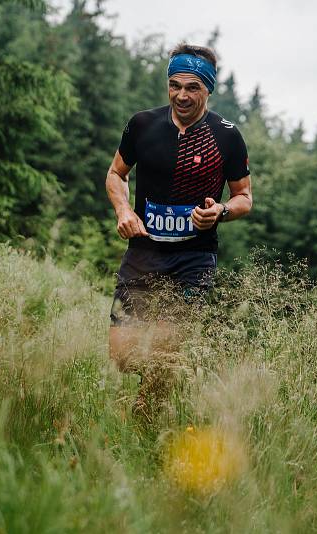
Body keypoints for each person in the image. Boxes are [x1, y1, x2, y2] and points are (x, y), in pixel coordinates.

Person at [105, 43, 253, 405]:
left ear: (208, 89)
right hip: (144, 251)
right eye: (174, 85)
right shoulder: (143, 124)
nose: (181, 95)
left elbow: (244, 197)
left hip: (193, 259)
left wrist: (220, 211)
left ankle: (146, 420)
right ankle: (156, 386)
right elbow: (115, 174)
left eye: (192, 88)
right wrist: (124, 211)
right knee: (121, 354)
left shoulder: (227, 136)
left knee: (165, 352)